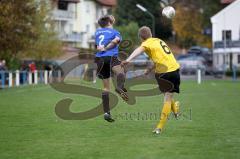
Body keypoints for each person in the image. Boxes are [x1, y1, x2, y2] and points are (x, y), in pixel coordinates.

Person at [121, 26, 181, 134]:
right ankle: (175, 110)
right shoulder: (158, 41)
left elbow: (138, 50)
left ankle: (159, 127)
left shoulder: (146, 43)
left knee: (167, 97)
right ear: (151, 34)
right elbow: (160, 57)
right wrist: (149, 69)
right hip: (174, 69)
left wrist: (128, 60)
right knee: (168, 95)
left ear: (141, 38)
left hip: (164, 72)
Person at [95, 15, 128, 122]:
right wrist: (106, 47)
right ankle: (119, 87)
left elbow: (98, 45)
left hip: (100, 60)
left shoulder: (97, 33)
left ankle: (106, 112)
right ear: (109, 22)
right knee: (121, 72)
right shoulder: (115, 32)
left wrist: (102, 48)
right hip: (111, 57)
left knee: (105, 88)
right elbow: (115, 41)